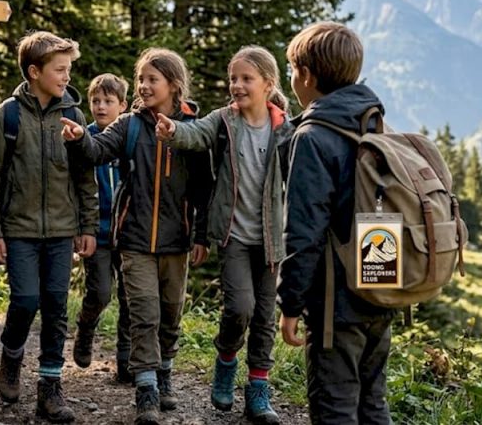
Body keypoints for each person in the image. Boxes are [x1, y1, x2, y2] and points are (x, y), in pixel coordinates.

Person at [61, 48, 211, 425]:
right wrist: (80, 138)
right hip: (134, 238)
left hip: (178, 239)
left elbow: (204, 188)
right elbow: (97, 150)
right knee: (143, 312)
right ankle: (146, 390)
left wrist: (202, 235)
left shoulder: (194, 127)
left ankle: (165, 376)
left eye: (152, 80)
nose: (143, 86)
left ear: (174, 85)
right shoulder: (128, 124)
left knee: (170, 314)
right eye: (141, 79)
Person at [154, 46, 292, 424]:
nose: (237, 85)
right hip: (232, 234)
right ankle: (226, 359)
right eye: (233, 78)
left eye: (246, 79)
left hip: (270, 240)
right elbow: (194, 133)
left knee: (264, 317)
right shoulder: (224, 121)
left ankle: (258, 392)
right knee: (239, 308)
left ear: (268, 83)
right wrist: (172, 130)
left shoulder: (285, 130)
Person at [0, 31, 98, 423]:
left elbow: (85, 178)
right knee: (26, 300)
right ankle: (11, 356)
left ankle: (49, 387)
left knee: (57, 306)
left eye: (68, 69)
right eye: (59, 70)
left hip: (62, 231)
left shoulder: (75, 117)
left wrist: (87, 225)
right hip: (19, 230)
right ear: (34, 71)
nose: (66, 76)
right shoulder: (5, 117)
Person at [277, 22, 396, 425]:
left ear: (307, 75)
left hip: (336, 302)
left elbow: (303, 231)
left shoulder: (313, 137)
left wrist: (290, 303)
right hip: (382, 284)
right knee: (372, 402)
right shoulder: (374, 123)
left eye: (292, 70)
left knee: (335, 407)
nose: (293, 79)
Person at [72, 73, 133, 384]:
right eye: (96, 100)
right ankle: (85, 328)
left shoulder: (129, 139)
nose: (100, 106)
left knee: (128, 296)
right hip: (96, 232)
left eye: (108, 101)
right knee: (100, 292)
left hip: (127, 233)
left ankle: (126, 360)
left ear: (122, 106)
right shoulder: (84, 139)